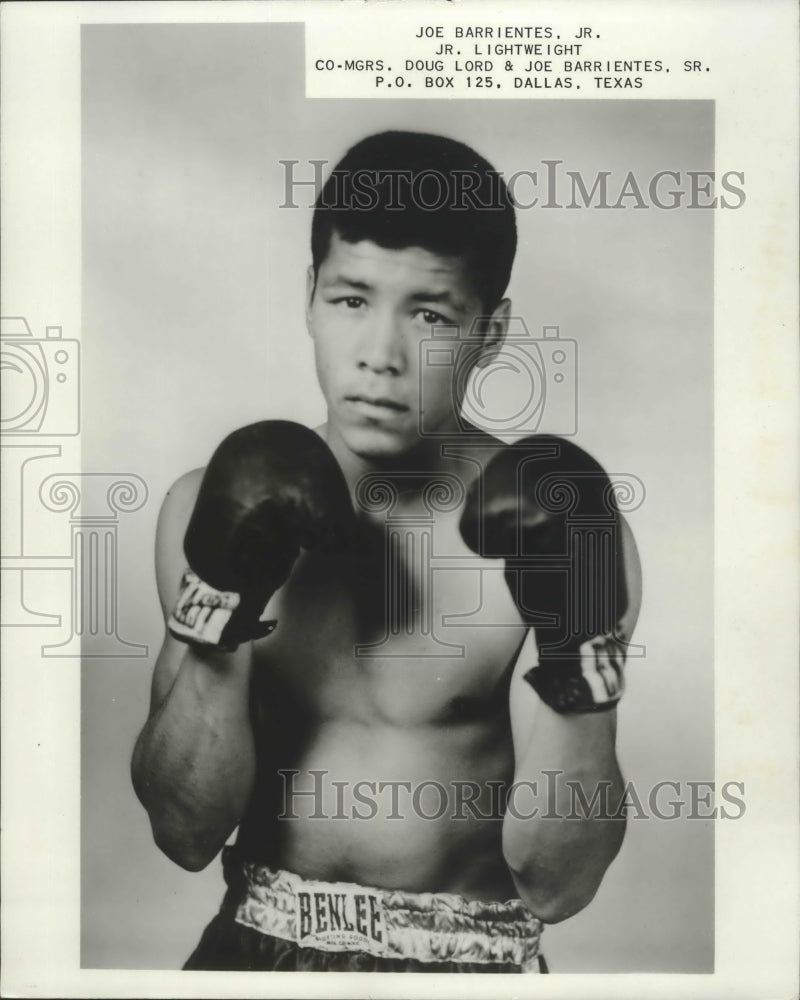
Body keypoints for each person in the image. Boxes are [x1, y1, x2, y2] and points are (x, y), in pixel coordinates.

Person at [131, 130, 642, 973]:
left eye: (431, 314)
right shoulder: (205, 502)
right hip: (253, 953)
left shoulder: (570, 532)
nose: (380, 355)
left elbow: (559, 884)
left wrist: (579, 650)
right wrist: (225, 605)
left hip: (472, 967)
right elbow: (184, 832)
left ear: (491, 331)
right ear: (309, 296)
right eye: (352, 300)